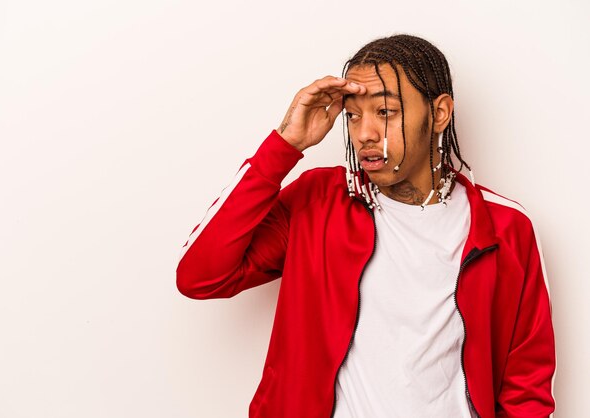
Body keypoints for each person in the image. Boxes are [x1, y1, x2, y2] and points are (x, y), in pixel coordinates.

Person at [176, 34, 556, 418]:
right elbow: (201, 276)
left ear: (439, 113)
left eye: (385, 112)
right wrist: (284, 145)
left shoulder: (504, 227)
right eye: (353, 115)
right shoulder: (317, 202)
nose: (364, 133)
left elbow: (527, 388)